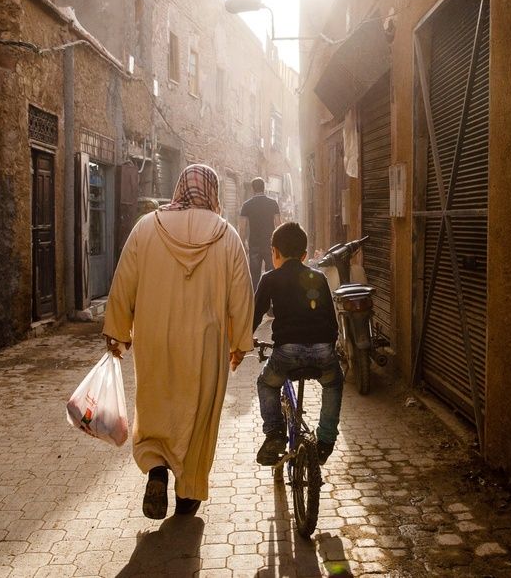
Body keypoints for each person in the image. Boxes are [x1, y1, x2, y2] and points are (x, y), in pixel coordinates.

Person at [102, 164, 254, 519]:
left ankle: (157, 468)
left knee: (156, 403)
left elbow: (123, 282)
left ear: (179, 188)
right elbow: (242, 293)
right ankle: (189, 491)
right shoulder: (226, 235)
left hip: (155, 339)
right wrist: (241, 341)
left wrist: (118, 331)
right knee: (199, 413)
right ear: (213, 191)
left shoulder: (146, 227)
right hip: (205, 345)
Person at [252, 221, 342, 466]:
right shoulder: (319, 278)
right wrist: (329, 348)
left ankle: (275, 435)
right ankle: (325, 440)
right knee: (333, 383)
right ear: (304, 255)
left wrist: (243, 341)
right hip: (323, 350)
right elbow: (331, 321)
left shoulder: (270, 279)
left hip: (287, 353)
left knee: (266, 383)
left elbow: (255, 315)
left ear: (275, 252)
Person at [238, 177, 281, 290]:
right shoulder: (273, 203)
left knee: (255, 277)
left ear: (253, 189)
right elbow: (278, 225)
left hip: (254, 244)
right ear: (264, 187)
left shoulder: (247, 205)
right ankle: (271, 299)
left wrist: (242, 244)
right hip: (270, 244)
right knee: (271, 274)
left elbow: (242, 228)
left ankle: (257, 301)